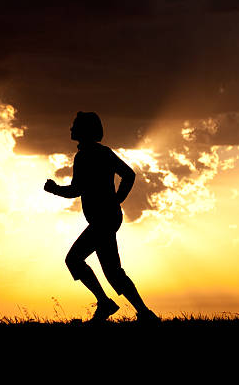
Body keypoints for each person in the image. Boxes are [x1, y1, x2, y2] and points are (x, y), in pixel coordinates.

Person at [44, 111, 159, 323]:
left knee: (74, 259)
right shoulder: (102, 152)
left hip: (102, 220)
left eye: (75, 125)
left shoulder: (85, 156)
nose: (71, 129)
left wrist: (54, 189)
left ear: (84, 130)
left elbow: (75, 190)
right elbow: (129, 175)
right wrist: (117, 201)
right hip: (108, 217)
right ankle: (144, 312)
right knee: (113, 272)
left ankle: (107, 304)